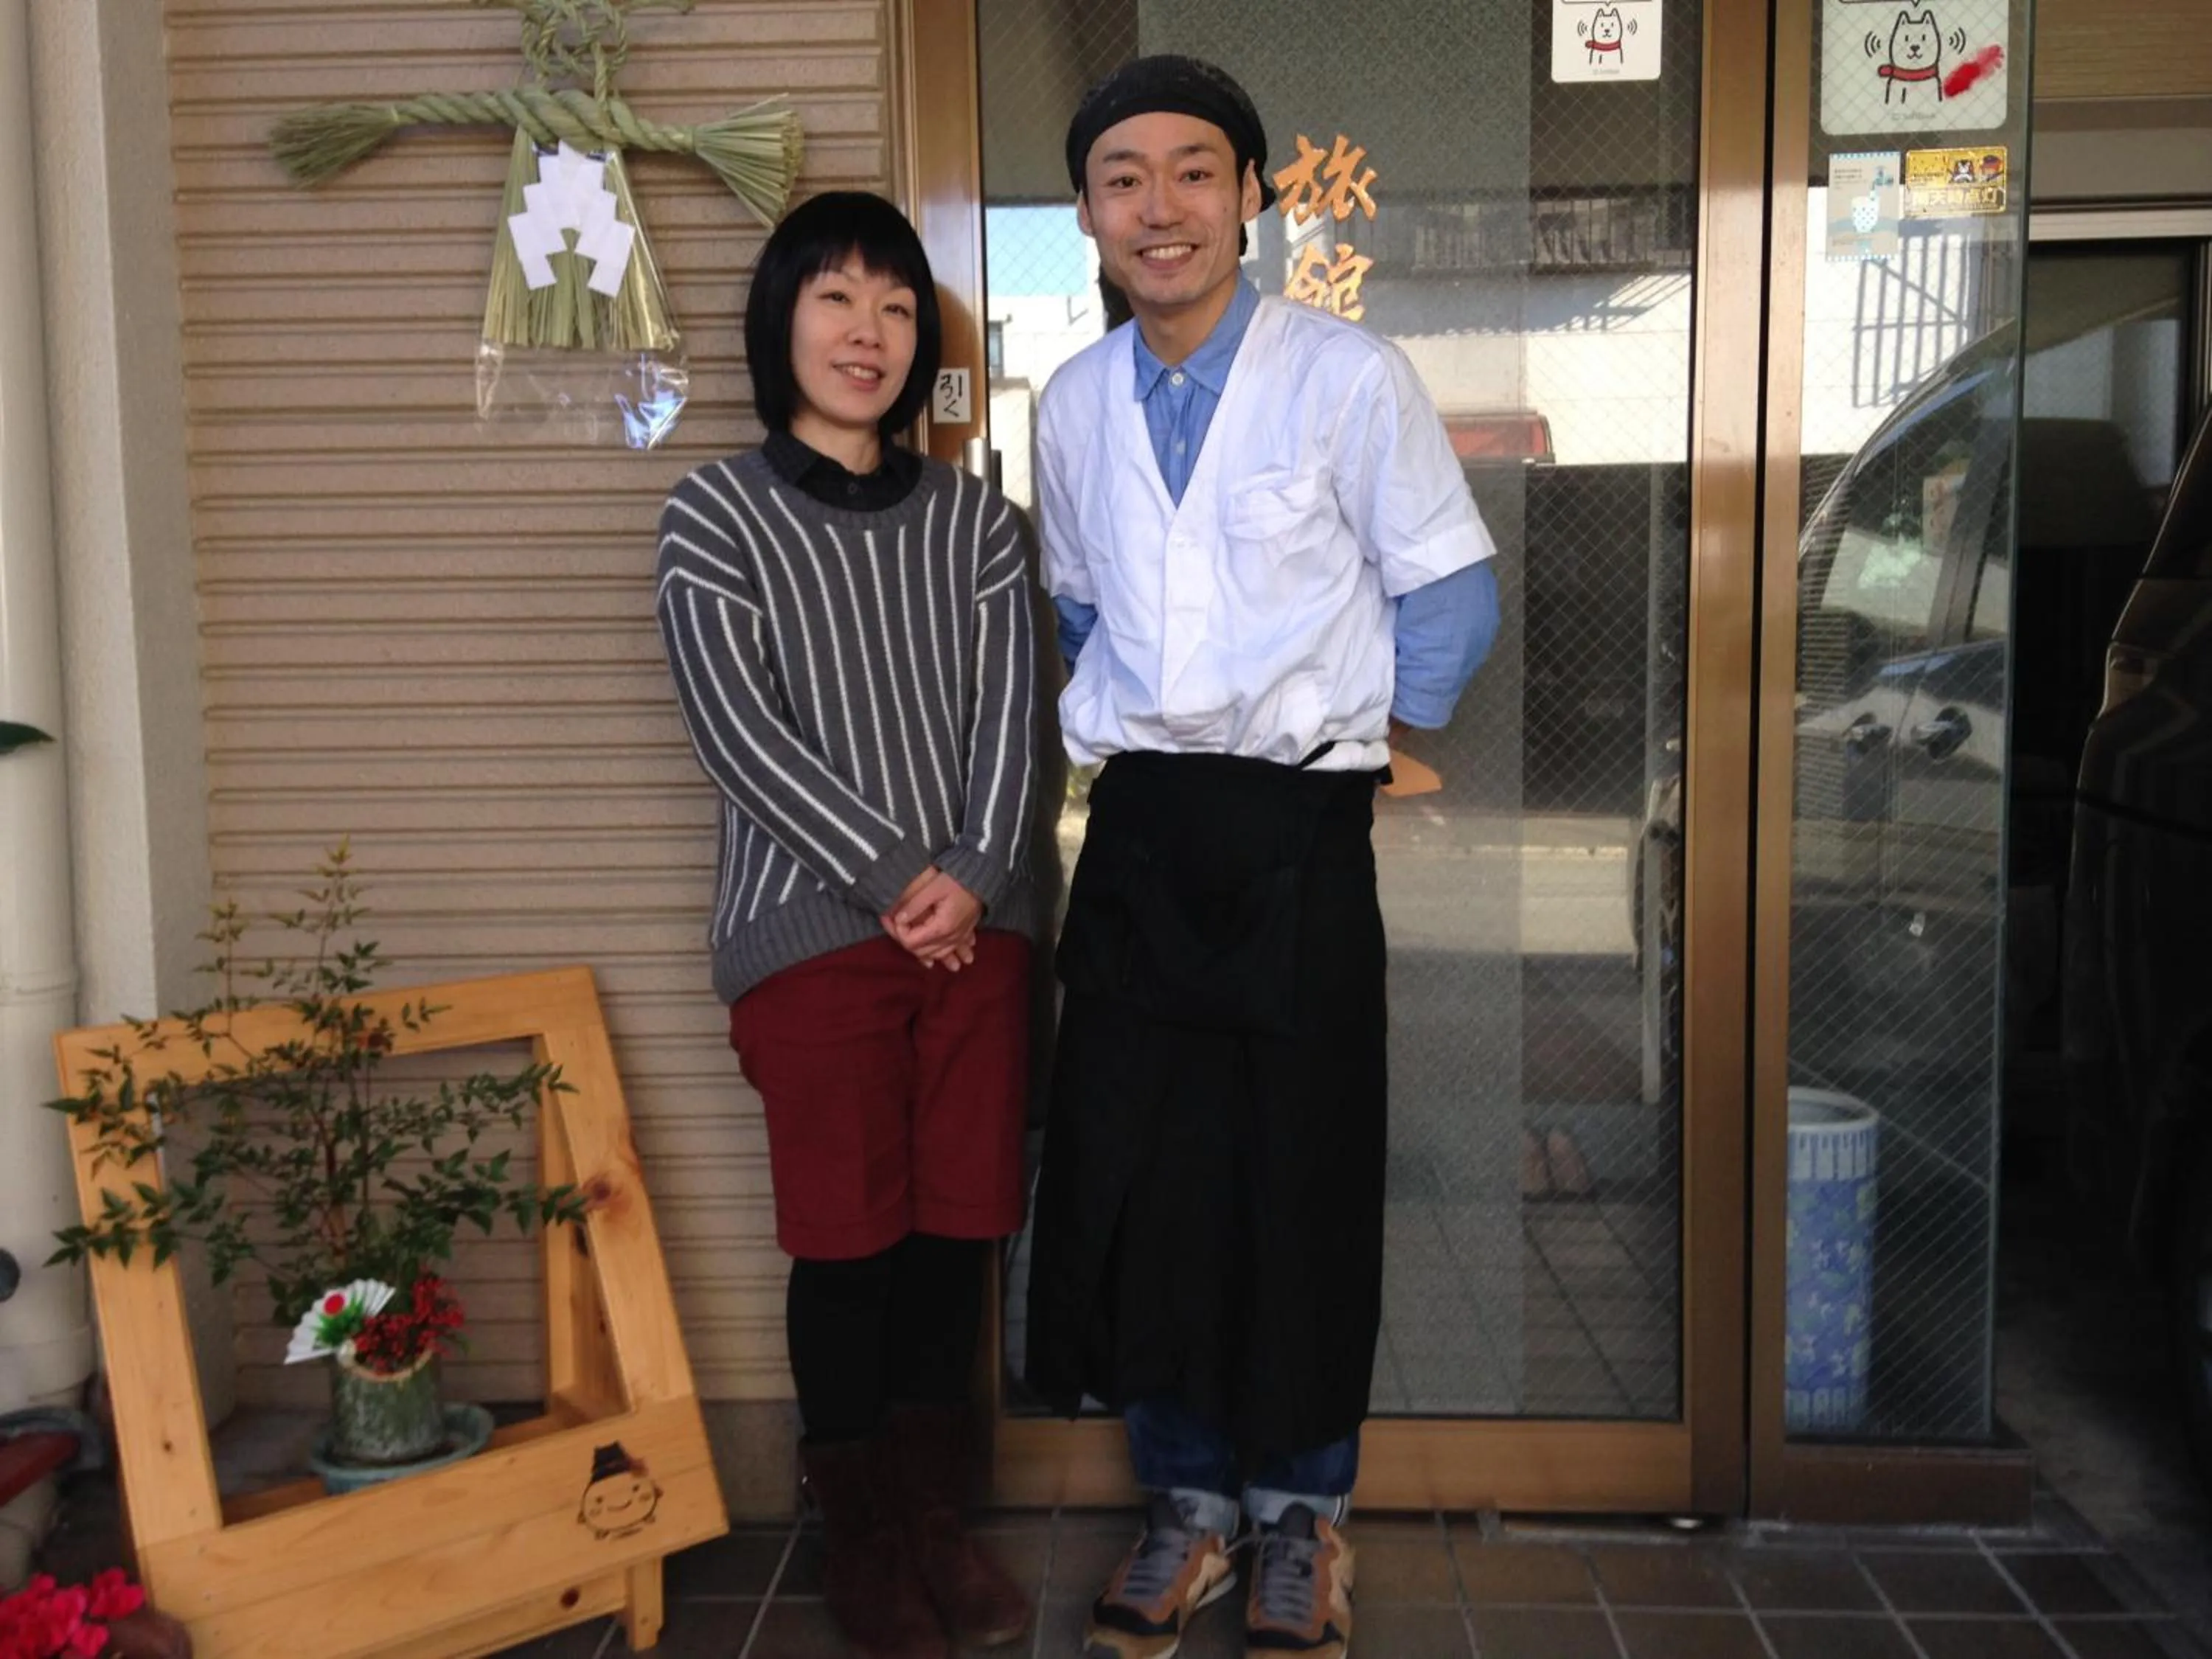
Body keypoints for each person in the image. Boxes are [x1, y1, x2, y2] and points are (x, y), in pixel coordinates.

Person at [1022, 57, 1500, 1659]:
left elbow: (1448, 596)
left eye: (1193, 173)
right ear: (1089, 214)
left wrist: (1363, 753)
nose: (1159, 208)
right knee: (1149, 1182)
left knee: (1299, 1177)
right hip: (1151, 826)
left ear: (1249, 197)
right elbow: (1084, 603)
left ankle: (1305, 1520)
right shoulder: (1071, 404)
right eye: (1123, 179)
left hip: (1298, 827)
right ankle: (1190, 1510)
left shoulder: (1342, 377)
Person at [654, 190, 1038, 1659]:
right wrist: (896, 882)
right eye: (834, 298)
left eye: (893, 305)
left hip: (977, 934)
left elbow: (1016, 725)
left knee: (954, 1240)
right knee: (850, 1243)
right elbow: (736, 730)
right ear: (783, 324)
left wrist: (976, 881)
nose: (866, 331)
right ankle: (864, 1538)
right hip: (808, 942)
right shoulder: (716, 513)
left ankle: (939, 1525)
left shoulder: (977, 525)